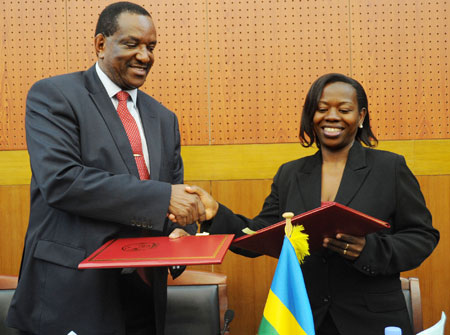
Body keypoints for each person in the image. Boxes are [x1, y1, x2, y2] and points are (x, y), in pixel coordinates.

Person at [6, 2, 206, 335]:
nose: (145, 56)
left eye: (151, 47)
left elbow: (171, 198)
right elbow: (62, 182)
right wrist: (162, 200)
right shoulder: (54, 96)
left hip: (143, 296)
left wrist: (177, 234)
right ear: (101, 44)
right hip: (74, 292)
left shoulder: (165, 119)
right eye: (132, 44)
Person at [187, 73, 440, 335]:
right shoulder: (289, 174)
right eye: (321, 109)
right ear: (311, 115)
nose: (331, 116)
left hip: (372, 322)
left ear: (361, 116)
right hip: (303, 320)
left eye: (344, 109)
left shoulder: (390, 168)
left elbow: (422, 237)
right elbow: (262, 232)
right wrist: (216, 213)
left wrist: (368, 249)